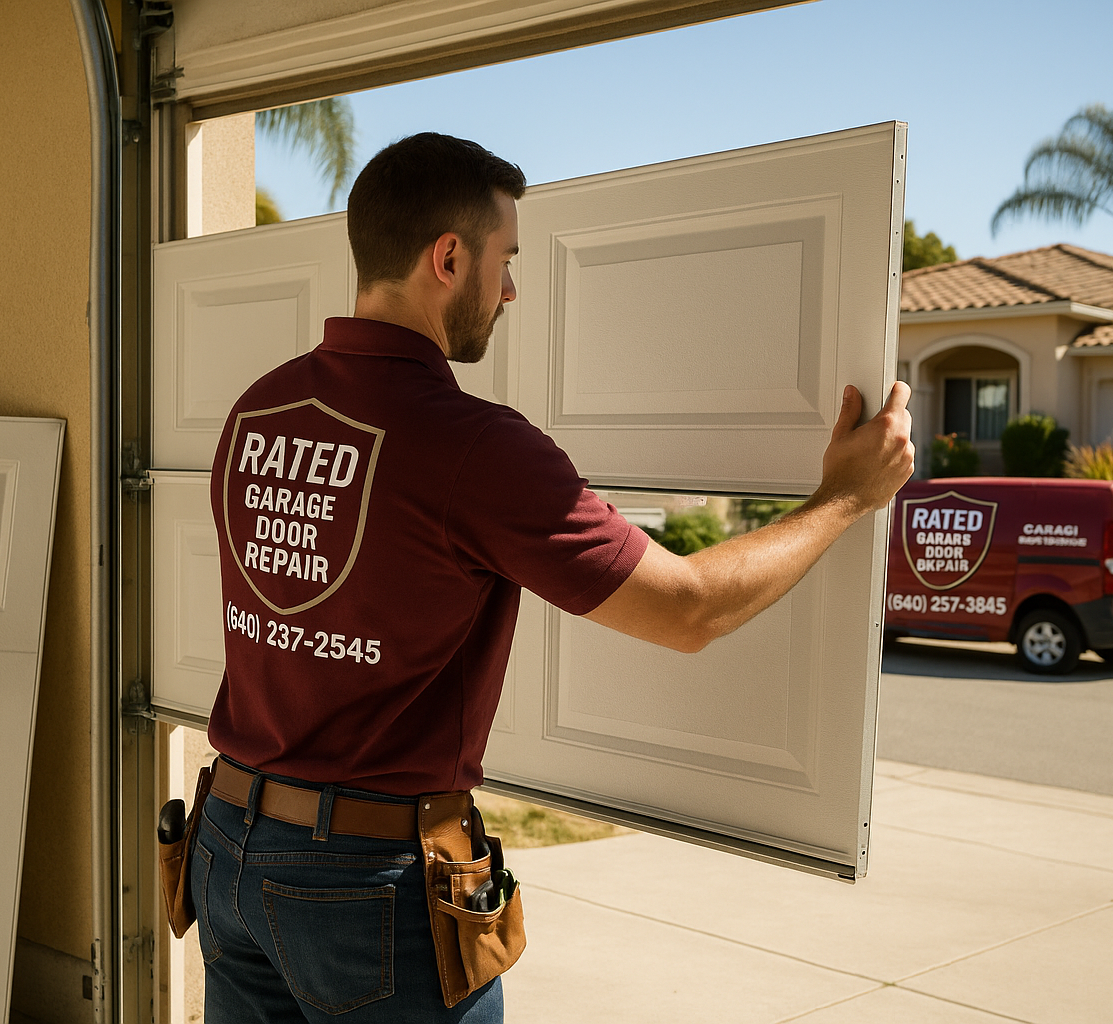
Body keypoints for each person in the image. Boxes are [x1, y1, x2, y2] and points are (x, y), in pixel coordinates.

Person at [194, 132, 913, 1023]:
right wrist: (843, 498)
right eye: (505, 260)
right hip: (362, 888)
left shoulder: (260, 407)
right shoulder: (473, 447)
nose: (510, 289)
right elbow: (686, 610)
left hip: (226, 843)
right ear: (447, 258)